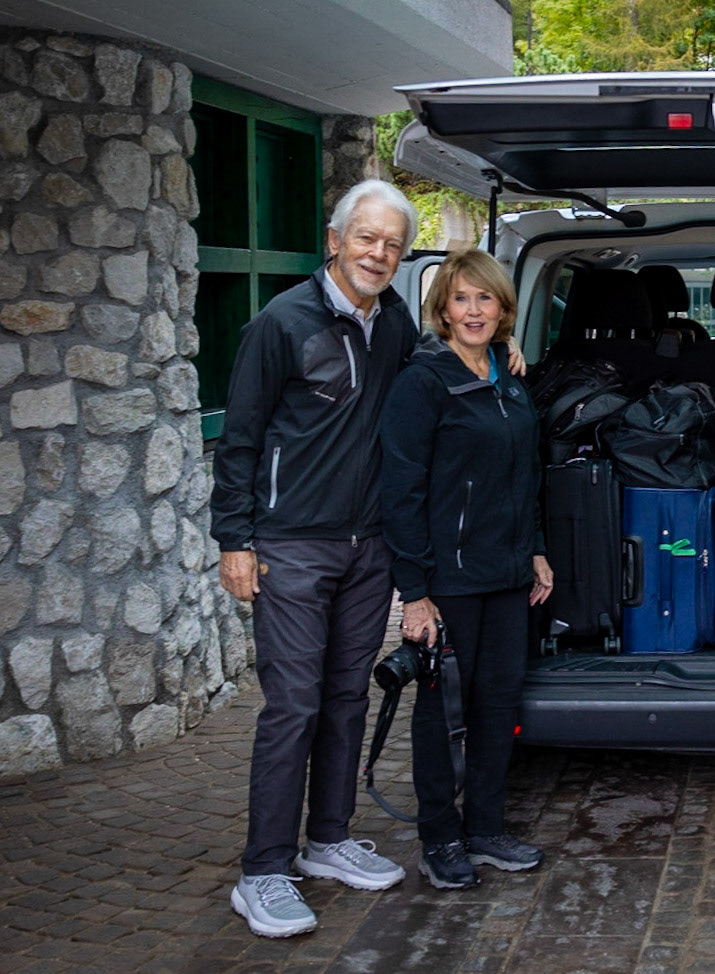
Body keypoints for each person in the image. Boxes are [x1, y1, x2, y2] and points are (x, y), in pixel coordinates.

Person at [210, 179, 420, 938]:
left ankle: (327, 841)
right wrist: (234, 539)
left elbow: (429, 386)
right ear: (335, 241)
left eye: (392, 244)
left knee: (345, 698)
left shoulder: (393, 322)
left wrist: (502, 349)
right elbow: (240, 438)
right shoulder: (280, 322)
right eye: (367, 238)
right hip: (290, 545)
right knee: (292, 706)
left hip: (369, 547)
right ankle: (263, 870)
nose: (379, 253)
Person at [379, 249, 553, 890]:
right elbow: (401, 491)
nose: (474, 310)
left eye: (486, 299)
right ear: (442, 309)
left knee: (496, 706)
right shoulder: (423, 382)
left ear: (504, 309)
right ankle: (439, 838)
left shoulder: (509, 379)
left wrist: (533, 548)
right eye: (462, 299)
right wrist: (415, 594)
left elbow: (524, 475)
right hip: (448, 580)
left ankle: (485, 829)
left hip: (507, 574)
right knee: (441, 713)